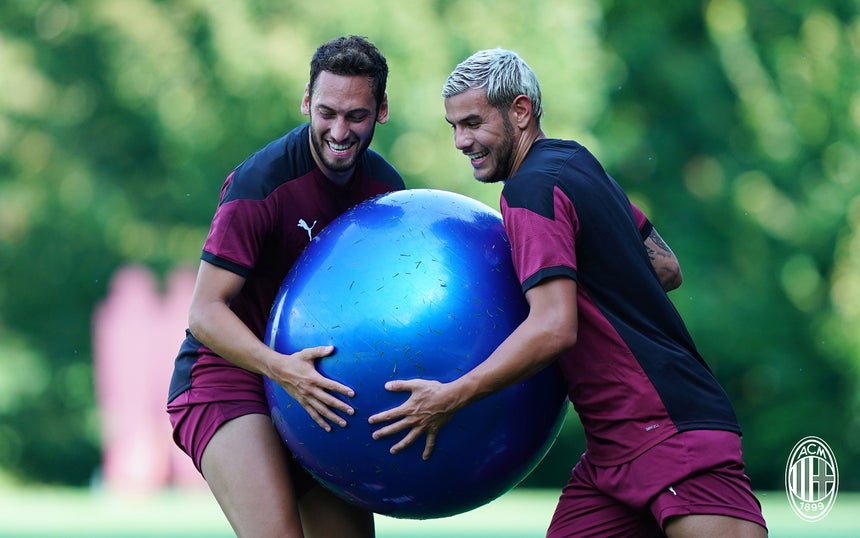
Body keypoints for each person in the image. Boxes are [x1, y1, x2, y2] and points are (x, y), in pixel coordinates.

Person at [368, 48, 768, 537]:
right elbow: (665, 266)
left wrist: (451, 396)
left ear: (520, 110)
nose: (460, 141)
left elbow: (554, 327)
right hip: (612, 452)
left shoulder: (527, 190)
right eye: (453, 126)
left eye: (472, 123)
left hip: (670, 433)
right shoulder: (574, 160)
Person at [167, 35, 404, 537]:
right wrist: (283, 371)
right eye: (327, 112)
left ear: (381, 110)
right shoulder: (262, 184)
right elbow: (204, 312)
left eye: (356, 116)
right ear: (306, 102)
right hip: (228, 377)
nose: (340, 131)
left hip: (317, 387)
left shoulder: (387, 195)